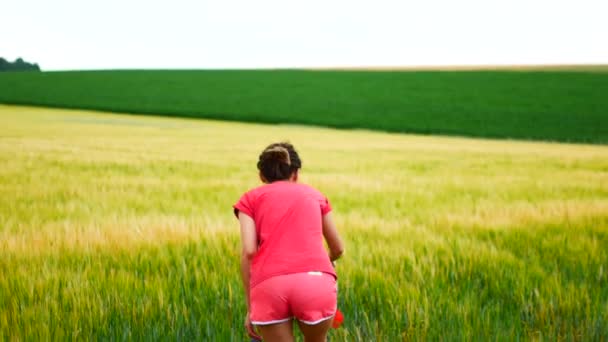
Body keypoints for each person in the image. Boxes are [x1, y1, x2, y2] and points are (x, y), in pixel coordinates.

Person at [233, 142, 344, 342]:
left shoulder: (250, 199)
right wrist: (322, 263)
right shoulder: (315, 195)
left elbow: (249, 251)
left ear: (262, 176)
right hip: (316, 282)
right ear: (296, 173)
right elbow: (338, 248)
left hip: (269, 286)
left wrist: (251, 308)